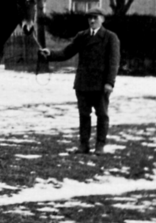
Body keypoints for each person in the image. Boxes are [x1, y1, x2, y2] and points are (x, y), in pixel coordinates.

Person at [40, 8, 120, 155]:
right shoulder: (82, 36)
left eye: (95, 17)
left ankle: (100, 146)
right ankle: (84, 145)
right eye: (89, 18)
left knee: (102, 115)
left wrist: (109, 82)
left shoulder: (110, 37)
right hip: (82, 83)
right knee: (84, 115)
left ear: (102, 19)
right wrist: (50, 54)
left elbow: (113, 63)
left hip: (101, 85)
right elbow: (66, 52)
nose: (92, 20)